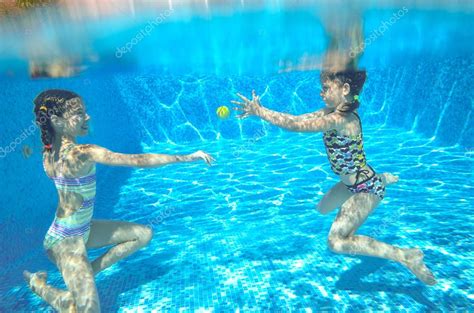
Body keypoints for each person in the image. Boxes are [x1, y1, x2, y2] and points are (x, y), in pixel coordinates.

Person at [231, 24, 437, 284]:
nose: (321, 92)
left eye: (326, 87)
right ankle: (382, 177)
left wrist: (260, 111)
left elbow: (296, 126)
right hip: (351, 182)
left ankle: (405, 256)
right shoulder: (329, 114)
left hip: (365, 188)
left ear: (345, 90)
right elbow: (297, 119)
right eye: (322, 87)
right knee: (322, 208)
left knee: (336, 242)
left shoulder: (342, 119)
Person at [24, 89, 215, 312]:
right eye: (79, 113)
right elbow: (137, 160)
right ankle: (39, 286)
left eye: (85, 111)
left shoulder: (48, 153)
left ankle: (82, 280)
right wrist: (186, 157)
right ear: (56, 121)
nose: (87, 117)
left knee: (143, 234)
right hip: (64, 241)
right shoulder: (82, 152)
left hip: (83, 229)